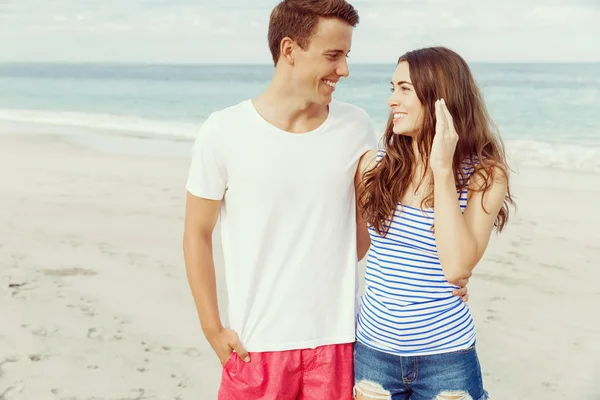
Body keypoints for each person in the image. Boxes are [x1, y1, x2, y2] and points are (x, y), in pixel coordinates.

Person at [182, 1, 376, 398]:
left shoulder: (356, 126)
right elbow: (195, 234)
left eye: (346, 56)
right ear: (289, 50)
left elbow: (364, 232)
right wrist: (212, 328)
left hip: (339, 343)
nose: (344, 70)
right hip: (257, 348)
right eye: (333, 55)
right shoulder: (224, 130)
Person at [353, 47, 514, 400]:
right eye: (391, 88)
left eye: (404, 89)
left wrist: (442, 169)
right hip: (373, 352)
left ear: (440, 97)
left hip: (447, 357)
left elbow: (457, 267)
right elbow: (349, 246)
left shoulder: (484, 175)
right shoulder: (372, 166)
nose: (391, 101)